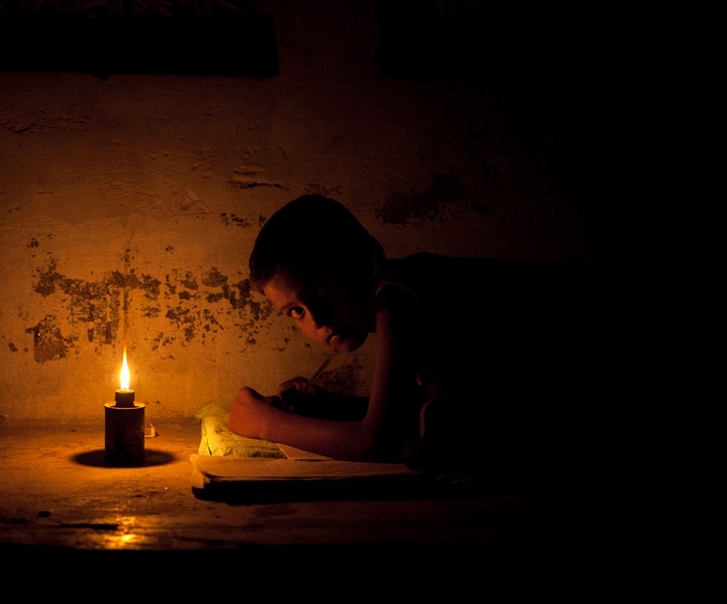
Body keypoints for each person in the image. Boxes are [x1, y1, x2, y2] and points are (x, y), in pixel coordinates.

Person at [227, 195, 626, 469]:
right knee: (439, 420)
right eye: (296, 311)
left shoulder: (398, 294)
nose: (317, 320)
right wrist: (334, 407)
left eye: (321, 292)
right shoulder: (406, 298)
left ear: (364, 260)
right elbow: (411, 408)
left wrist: (263, 423)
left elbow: (376, 441)